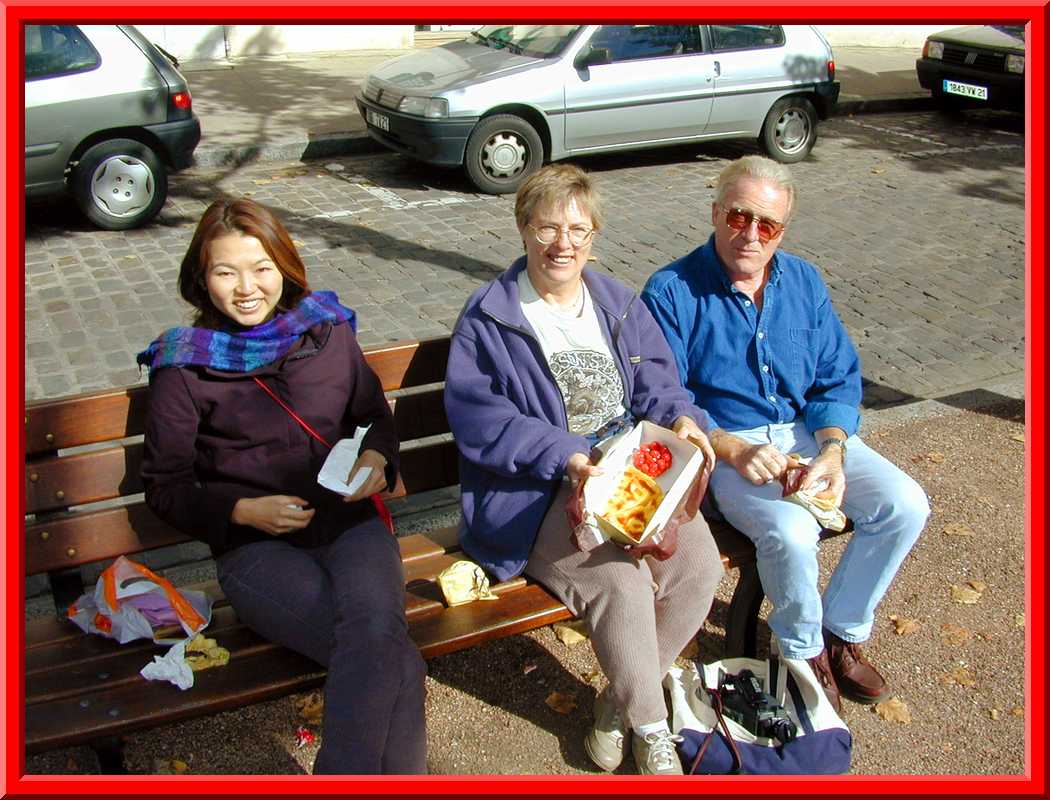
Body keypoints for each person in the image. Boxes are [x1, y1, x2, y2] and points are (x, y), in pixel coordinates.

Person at [444, 164, 724, 775]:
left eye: (577, 228)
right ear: (523, 229)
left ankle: (618, 701)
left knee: (698, 570)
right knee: (620, 584)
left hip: (632, 477)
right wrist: (567, 455)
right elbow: (481, 420)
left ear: (594, 235)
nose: (562, 243)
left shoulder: (618, 303)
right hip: (538, 494)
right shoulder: (490, 318)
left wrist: (681, 420)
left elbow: (661, 385)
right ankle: (652, 732)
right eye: (547, 227)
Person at [137, 198, 426, 774]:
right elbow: (165, 487)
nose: (247, 288)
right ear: (201, 278)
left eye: (261, 268)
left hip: (351, 527)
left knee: (379, 644)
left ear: (285, 268)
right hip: (257, 552)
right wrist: (243, 511)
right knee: (388, 654)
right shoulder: (184, 366)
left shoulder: (326, 331)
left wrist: (375, 456)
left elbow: (374, 415)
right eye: (226, 272)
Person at [641, 156, 930, 713]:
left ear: (783, 230)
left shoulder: (803, 280)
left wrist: (833, 449)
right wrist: (731, 447)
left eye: (767, 224)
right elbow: (665, 397)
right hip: (727, 448)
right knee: (793, 534)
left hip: (805, 434)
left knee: (905, 504)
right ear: (715, 212)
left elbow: (837, 377)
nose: (750, 234)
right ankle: (802, 657)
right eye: (738, 216)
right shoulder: (673, 290)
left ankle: (842, 630)